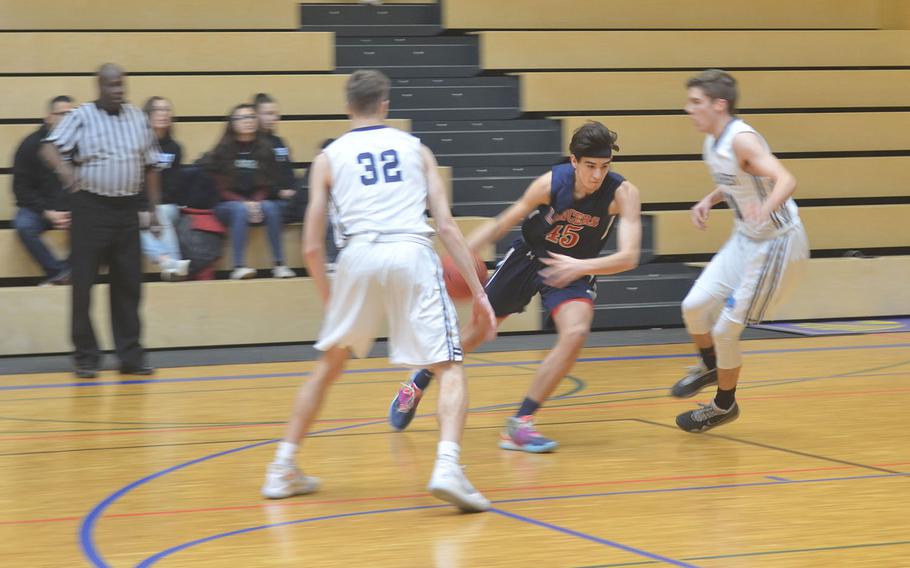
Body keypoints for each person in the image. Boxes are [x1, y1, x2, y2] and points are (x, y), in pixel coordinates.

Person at [261, 70, 497, 513]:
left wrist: (331, 301)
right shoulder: (417, 149)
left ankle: (282, 466)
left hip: (357, 257)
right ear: (385, 105)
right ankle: (447, 466)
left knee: (328, 367)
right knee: (449, 367)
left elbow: (312, 245)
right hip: (410, 252)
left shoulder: (329, 157)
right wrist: (481, 295)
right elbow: (445, 226)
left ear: (348, 106)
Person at [387, 120, 643, 453]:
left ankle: (520, 424)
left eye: (604, 167)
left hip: (576, 268)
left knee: (576, 333)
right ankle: (419, 380)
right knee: (476, 333)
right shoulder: (550, 184)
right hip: (528, 257)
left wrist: (580, 266)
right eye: (590, 166)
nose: (597, 175)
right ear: (574, 161)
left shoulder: (623, 194)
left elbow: (630, 256)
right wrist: (458, 258)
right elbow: (499, 225)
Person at [670, 69, 809, 432]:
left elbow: (785, 179)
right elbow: (738, 181)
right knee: (693, 307)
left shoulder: (742, 140)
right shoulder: (712, 141)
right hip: (745, 237)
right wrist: (709, 199)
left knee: (725, 331)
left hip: (777, 244)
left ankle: (723, 405)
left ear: (720, 104)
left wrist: (765, 209)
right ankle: (710, 365)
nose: (688, 109)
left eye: (695, 102)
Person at [42, 63, 161, 379]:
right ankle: (86, 356)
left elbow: (151, 166)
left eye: (122, 85)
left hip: (126, 210)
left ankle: (131, 356)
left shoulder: (138, 117)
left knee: (129, 285)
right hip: (91, 208)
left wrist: (155, 210)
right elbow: (50, 147)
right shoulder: (81, 116)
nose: (118, 91)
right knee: (83, 284)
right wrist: (65, 171)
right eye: (112, 86)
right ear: (99, 87)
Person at [208, 104, 294, 279]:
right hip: (227, 204)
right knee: (240, 210)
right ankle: (239, 266)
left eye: (251, 117)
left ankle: (279, 264)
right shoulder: (222, 150)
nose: (248, 121)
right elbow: (219, 187)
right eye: (242, 118)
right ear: (232, 123)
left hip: (257, 200)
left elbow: (268, 183)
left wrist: (255, 202)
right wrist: (244, 204)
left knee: (271, 208)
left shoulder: (266, 148)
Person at [12, 95, 74, 286]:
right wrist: (47, 212)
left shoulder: (80, 144)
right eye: (61, 114)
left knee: (96, 223)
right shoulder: (30, 145)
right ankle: (59, 273)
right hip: (40, 210)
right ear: (49, 117)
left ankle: (66, 272)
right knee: (23, 225)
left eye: (71, 114)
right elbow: (20, 189)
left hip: (72, 209)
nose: (67, 119)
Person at [140, 96, 190, 281]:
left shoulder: (175, 148)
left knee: (158, 213)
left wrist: (151, 211)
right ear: (147, 115)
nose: (163, 114)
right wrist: (144, 210)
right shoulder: (139, 145)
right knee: (132, 224)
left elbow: (174, 185)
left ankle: (171, 260)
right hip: (141, 206)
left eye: (167, 110)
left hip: (168, 206)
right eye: (158, 110)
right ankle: (169, 261)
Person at [253, 93, 298, 215]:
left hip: (287, 197)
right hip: (267, 199)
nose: (273, 118)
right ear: (256, 115)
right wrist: (279, 192)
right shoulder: (251, 143)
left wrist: (295, 190)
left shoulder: (279, 142)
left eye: (275, 114)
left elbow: (288, 171)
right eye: (268, 114)